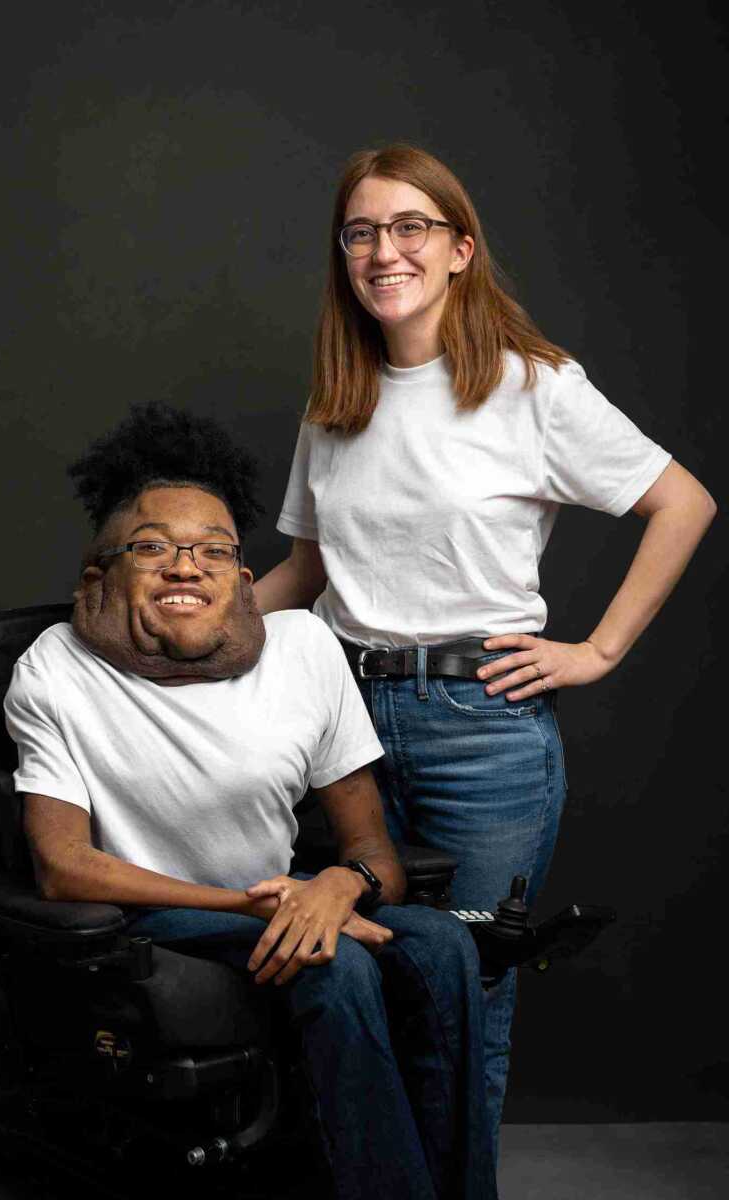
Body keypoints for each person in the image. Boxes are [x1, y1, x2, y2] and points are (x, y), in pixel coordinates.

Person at [253, 143, 716, 1148]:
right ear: (342, 255)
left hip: (478, 734)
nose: (385, 250)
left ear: (460, 249)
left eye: (409, 227)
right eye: (361, 231)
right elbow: (306, 573)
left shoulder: (531, 386)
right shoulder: (335, 397)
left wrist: (596, 650)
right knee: (349, 972)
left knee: (462, 994)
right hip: (334, 723)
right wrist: (174, 626)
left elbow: (681, 501)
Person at [4, 403, 499, 1200]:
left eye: (211, 550)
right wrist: (253, 905)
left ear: (241, 580)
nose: (184, 565)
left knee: (442, 945)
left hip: (286, 901)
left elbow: (373, 853)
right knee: (335, 969)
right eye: (153, 546)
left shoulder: (302, 648)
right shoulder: (55, 670)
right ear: (101, 573)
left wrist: (341, 886)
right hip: (163, 918)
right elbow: (63, 868)